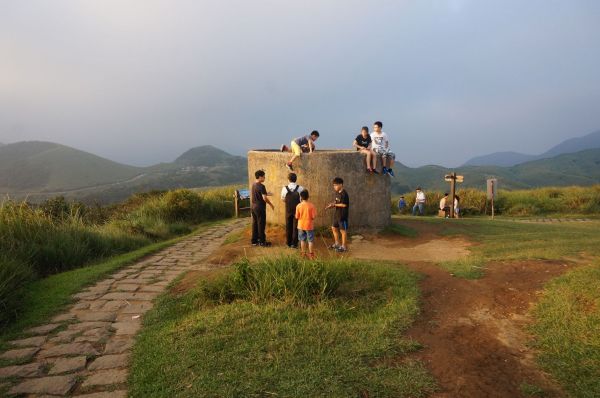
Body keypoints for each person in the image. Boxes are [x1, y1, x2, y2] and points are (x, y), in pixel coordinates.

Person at [251, 170, 274, 246]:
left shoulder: (254, 184)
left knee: (255, 224)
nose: (265, 178)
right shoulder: (262, 186)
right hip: (260, 207)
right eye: (264, 176)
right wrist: (271, 204)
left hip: (253, 207)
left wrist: (267, 193)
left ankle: (254, 241)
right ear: (260, 177)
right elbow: (264, 198)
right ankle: (262, 242)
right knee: (261, 224)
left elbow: (259, 193)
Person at [326, 177, 349, 252]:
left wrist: (334, 205)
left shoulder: (344, 194)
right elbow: (336, 202)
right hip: (337, 215)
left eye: (336, 185)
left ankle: (344, 247)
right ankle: (337, 244)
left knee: (343, 231)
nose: (334, 187)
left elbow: (344, 205)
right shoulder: (337, 193)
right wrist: (331, 205)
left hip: (343, 216)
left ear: (341, 185)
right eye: (333, 185)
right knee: (334, 228)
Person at [280, 173, 304, 248]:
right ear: (296, 179)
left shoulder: (284, 188)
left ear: (288, 179)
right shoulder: (301, 188)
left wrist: (288, 202)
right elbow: (302, 199)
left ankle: (288, 243)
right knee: (296, 226)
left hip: (288, 210)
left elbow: (283, 199)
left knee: (288, 226)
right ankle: (295, 243)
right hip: (297, 210)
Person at [295, 189, 317, 259]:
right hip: (309, 226)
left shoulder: (298, 205)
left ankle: (303, 253)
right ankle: (311, 255)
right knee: (310, 240)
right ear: (308, 197)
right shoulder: (312, 206)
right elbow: (313, 217)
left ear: (301, 197)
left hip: (300, 225)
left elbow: (297, 216)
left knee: (302, 240)